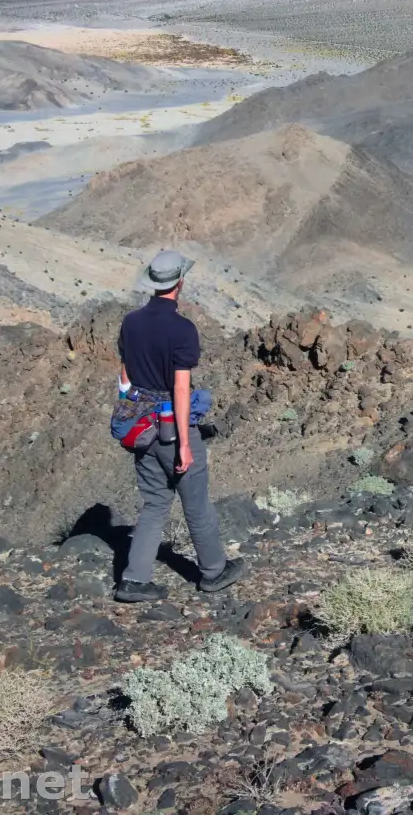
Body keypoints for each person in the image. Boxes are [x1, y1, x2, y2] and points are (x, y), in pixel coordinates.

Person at [112, 250, 246, 602]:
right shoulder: (182, 329)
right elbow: (181, 387)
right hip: (171, 428)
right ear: (180, 282)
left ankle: (134, 581)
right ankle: (214, 572)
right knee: (196, 502)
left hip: (140, 427)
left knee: (155, 502)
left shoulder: (131, 322)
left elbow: (125, 375)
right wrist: (185, 442)